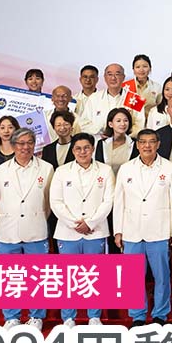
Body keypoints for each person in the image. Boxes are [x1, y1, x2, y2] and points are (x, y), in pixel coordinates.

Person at [114, 128, 172, 326]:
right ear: (137, 145)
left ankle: (160, 314)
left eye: (152, 142)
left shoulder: (170, 168)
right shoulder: (126, 169)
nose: (147, 146)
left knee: (162, 276)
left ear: (158, 144)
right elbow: (119, 201)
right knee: (132, 277)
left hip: (159, 230)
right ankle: (138, 315)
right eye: (143, 142)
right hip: (131, 230)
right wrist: (118, 230)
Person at [0, 128, 52, 328]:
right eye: (21, 143)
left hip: (36, 229)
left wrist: (36, 216)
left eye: (30, 143)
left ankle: (36, 316)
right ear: (14, 145)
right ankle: (12, 317)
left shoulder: (46, 169)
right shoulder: (1, 170)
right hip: (8, 230)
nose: (26, 147)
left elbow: (48, 203)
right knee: (9, 277)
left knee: (37, 276)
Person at [50, 132, 114, 326]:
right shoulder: (62, 172)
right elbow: (56, 202)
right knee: (69, 276)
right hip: (68, 232)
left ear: (93, 148)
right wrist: (74, 224)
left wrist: (91, 223)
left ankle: (94, 316)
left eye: (86, 148)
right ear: (72, 150)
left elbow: (108, 201)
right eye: (78, 148)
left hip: (96, 231)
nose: (82, 152)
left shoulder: (105, 170)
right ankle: (69, 317)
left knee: (95, 274)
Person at [77, 63, 135, 137]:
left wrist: (123, 135)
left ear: (123, 77)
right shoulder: (94, 98)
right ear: (105, 77)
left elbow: (139, 124)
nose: (113, 78)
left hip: (126, 141)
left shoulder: (135, 98)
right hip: (99, 140)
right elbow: (83, 123)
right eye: (110, 74)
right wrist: (101, 131)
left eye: (117, 74)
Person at [94, 108, 134, 178]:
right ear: (110, 124)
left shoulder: (135, 144)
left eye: (126, 120)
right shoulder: (102, 143)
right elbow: (99, 167)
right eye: (118, 121)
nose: (123, 124)